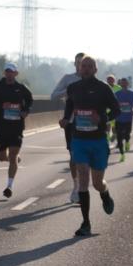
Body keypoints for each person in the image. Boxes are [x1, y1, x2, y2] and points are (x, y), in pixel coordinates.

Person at [58, 55, 120, 237]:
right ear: (78, 68)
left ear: (95, 69)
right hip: (79, 140)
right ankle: (86, 223)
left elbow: (116, 110)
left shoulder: (103, 88)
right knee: (83, 179)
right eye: (83, 66)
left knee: (97, 182)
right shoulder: (73, 88)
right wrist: (64, 119)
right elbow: (69, 107)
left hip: (98, 140)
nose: (85, 69)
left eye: (89, 66)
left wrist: (102, 118)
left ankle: (105, 193)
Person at [0, 62, 33, 198]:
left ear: (16, 74)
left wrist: (26, 111)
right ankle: (15, 159)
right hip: (0, 128)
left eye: (11, 72)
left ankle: (9, 186)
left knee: (12, 156)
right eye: (7, 71)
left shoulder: (21, 89)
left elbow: (30, 101)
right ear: (4, 73)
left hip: (16, 128)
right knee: (2, 157)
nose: (9, 74)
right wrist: (0, 106)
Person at [51, 53, 85, 203]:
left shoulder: (93, 81)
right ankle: (76, 187)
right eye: (79, 63)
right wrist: (67, 91)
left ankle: (83, 185)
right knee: (73, 156)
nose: (81, 66)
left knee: (84, 156)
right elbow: (53, 96)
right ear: (75, 64)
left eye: (84, 63)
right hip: (71, 122)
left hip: (88, 123)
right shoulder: (68, 78)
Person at [113, 77, 133, 161]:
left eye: (125, 83)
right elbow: (112, 104)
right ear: (120, 84)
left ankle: (127, 142)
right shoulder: (116, 94)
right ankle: (122, 154)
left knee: (127, 135)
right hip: (118, 118)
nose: (124, 84)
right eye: (122, 83)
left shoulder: (132, 94)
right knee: (119, 137)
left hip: (128, 118)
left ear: (128, 84)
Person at [105, 74, 121, 143]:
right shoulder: (104, 87)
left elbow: (121, 97)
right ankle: (107, 140)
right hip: (106, 110)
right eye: (109, 80)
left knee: (114, 127)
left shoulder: (118, 88)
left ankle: (114, 136)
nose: (110, 81)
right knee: (107, 127)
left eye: (111, 79)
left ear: (114, 80)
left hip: (114, 110)